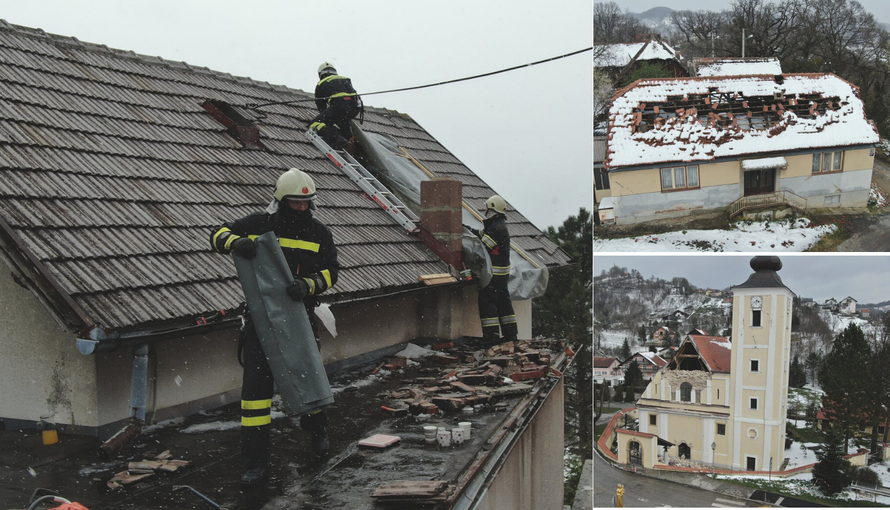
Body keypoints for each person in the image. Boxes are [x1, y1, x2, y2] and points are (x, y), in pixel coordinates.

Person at [210, 168, 339, 487]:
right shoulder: (258, 225)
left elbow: (331, 272)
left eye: (307, 203)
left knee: (309, 383)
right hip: (261, 323)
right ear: (281, 201)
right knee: (255, 396)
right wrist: (237, 242)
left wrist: (308, 285)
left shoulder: (319, 233)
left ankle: (317, 430)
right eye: (296, 202)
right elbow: (216, 235)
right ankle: (254, 464)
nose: (302, 208)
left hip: (301, 320)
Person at [467, 195, 517, 343]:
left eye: (487, 207)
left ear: (492, 208)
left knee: (487, 301)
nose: (485, 210)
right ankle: (510, 335)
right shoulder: (497, 225)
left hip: (494, 274)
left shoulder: (497, 228)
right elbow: (481, 234)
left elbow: (483, 248)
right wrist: (468, 230)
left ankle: (491, 337)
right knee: (503, 302)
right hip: (502, 273)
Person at [310, 62, 362, 151]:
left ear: (321, 74)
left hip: (340, 106)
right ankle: (350, 140)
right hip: (355, 108)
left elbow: (321, 107)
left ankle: (341, 142)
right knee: (343, 122)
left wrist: (327, 120)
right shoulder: (345, 80)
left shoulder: (321, 84)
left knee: (315, 124)